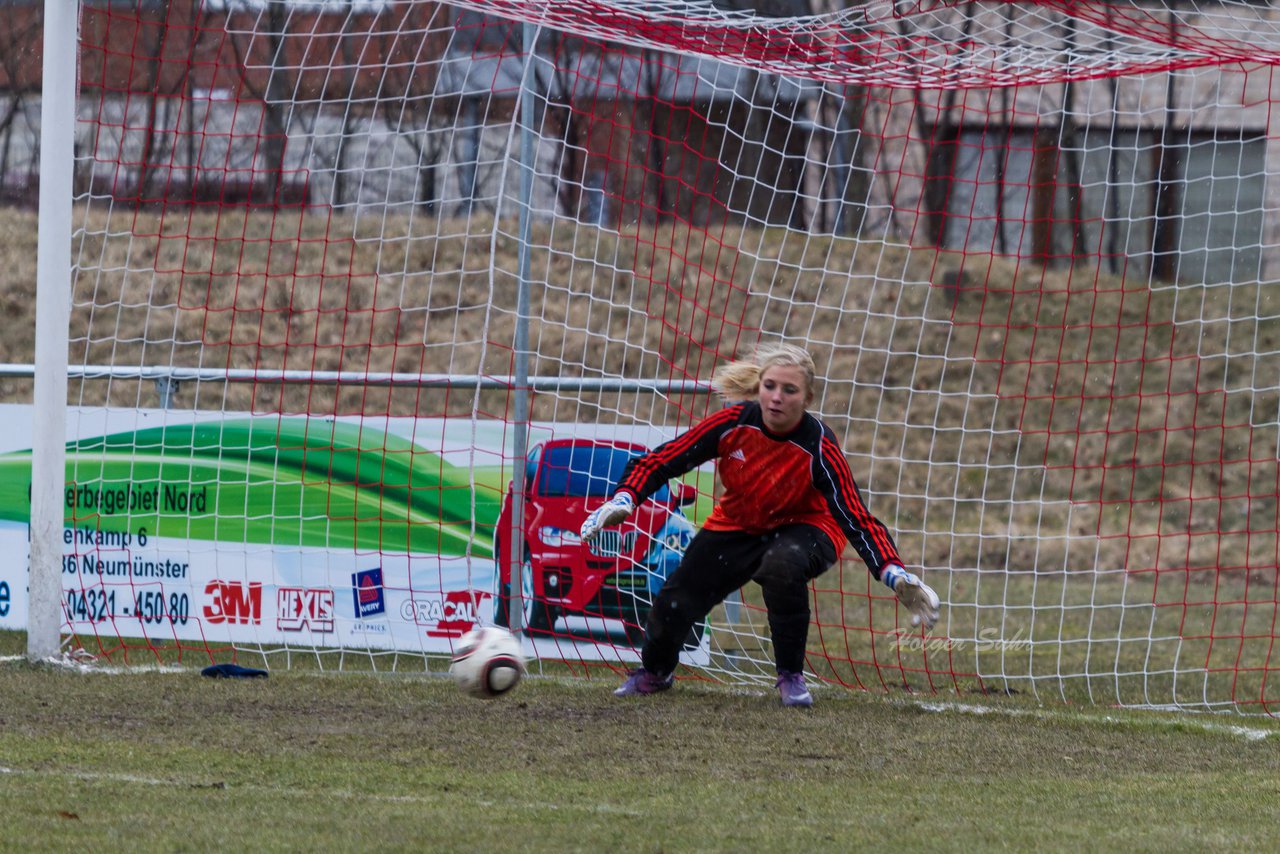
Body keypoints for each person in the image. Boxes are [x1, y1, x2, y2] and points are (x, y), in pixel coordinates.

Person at [579, 343, 940, 707]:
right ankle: (655, 673)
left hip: (806, 528)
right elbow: (662, 461)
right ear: (759, 387)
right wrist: (625, 497)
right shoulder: (731, 423)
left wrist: (892, 572)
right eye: (770, 386)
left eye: (789, 390)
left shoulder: (819, 446)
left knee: (783, 565)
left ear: (808, 397)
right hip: (737, 525)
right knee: (675, 601)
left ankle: (790, 677)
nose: (777, 397)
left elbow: (856, 517)